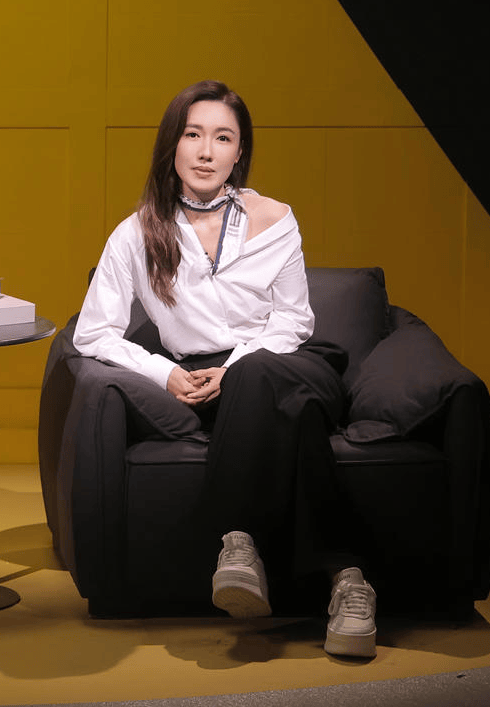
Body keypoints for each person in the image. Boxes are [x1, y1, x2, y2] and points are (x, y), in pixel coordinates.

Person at [72, 80, 377, 659]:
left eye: (223, 138)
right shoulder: (137, 233)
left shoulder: (275, 217)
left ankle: (237, 541)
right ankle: (350, 582)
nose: (206, 151)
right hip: (210, 383)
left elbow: (294, 320)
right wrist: (162, 372)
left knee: (260, 377)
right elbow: (92, 332)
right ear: (172, 145)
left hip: (291, 360)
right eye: (193, 135)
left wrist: (235, 367)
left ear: (240, 152)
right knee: (299, 420)